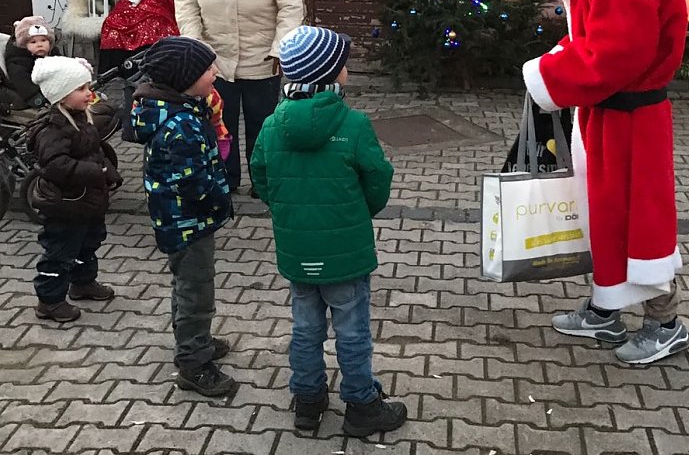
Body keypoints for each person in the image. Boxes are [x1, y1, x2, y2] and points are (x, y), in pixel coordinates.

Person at [522, 0, 689, 365]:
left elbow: (617, 53)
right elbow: (597, 35)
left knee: (640, 221)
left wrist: (547, 74)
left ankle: (665, 322)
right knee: (606, 214)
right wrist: (563, 56)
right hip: (613, 114)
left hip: (632, 117)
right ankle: (605, 308)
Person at [249, 25, 406, 436]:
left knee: (305, 328)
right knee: (352, 330)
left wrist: (286, 210)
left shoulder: (270, 125)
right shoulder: (353, 124)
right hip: (345, 251)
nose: (347, 70)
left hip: (297, 249)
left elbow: (260, 177)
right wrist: (360, 211)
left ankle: (308, 401)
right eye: (344, 64)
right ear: (331, 73)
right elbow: (377, 177)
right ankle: (361, 404)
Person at [128, 36, 236, 397]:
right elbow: (193, 183)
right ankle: (193, 361)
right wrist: (220, 200)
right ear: (184, 78)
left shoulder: (179, 109)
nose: (216, 73)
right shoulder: (180, 126)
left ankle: (195, 339)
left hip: (180, 220)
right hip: (188, 222)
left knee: (186, 284)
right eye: (208, 69)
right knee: (196, 290)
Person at [174, 0, 304, 195]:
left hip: (262, 60)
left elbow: (290, 4)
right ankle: (225, 180)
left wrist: (279, 49)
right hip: (214, 61)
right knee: (219, 124)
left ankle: (263, 182)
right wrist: (196, 44)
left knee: (263, 126)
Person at [26, 56, 121, 323]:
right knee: (60, 251)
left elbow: (94, 151)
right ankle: (49, 299)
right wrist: (96, 172)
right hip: (65, 204)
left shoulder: (81, 118)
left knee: (88, 243)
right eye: (80, 89)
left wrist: (109, 172)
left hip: (87, 200)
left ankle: (82, 282)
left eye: (88, 87)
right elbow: (56, 165)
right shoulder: (53, 129)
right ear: (61, 94)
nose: (89, 94)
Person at [2, 16, 61, 110]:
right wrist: (36, 98)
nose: (39, 44)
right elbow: (22, 82)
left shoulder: (53, 52)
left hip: (53, 88)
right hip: (32, 94)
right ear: (24, 45)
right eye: (33, 42)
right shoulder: (18, 60)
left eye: (43, 40)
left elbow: (63, 66)